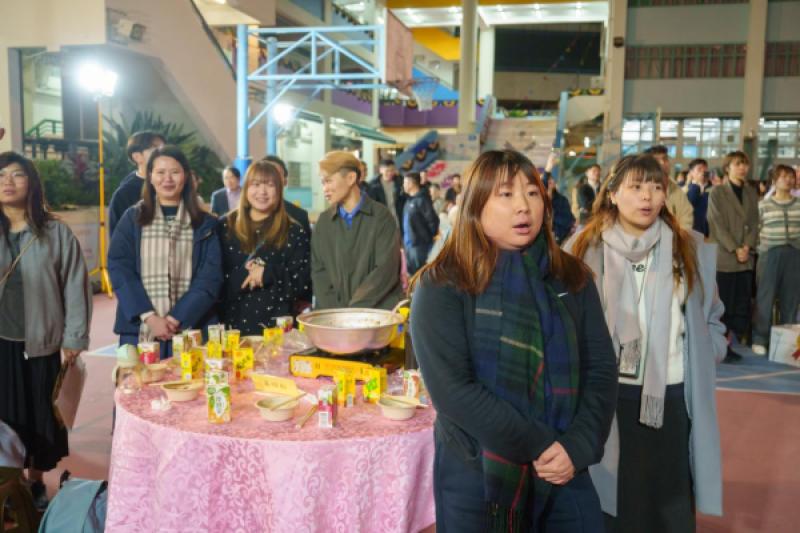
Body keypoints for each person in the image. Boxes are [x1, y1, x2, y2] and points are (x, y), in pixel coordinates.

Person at [410, 149, 617, 532]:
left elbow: (601, 369)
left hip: (566, 468)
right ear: (476, 204)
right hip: (479, 475)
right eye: (506, 194)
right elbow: (453, 390)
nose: (523, 206)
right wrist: (542, 444)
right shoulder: (442, 284)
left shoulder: (570, 276)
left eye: (532, 193)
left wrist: (577, 446)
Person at [564, 153, 726, 533]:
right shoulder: (583, 249)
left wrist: (708, 352)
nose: (647, 197)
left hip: (671, 396)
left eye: (656, 187)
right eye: (636, 187)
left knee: (670, 507)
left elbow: (714, 317)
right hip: (607, 397)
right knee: (614, 506)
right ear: (613, 193)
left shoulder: (688, 248)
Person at [0, 151, 93, 510]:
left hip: (41, 343)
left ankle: (35, 481)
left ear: (32, 183)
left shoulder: (55, 232)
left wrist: (74, 337)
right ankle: (10, 486)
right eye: (1, 175)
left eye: (17, 174)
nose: (8, 182)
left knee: (40, 416)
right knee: (6, 419)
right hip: (1, 344)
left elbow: (75, 286)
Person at [108, 146, 223, 358]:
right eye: (160, 172)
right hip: (141, 328)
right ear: (150, 177)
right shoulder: (132, 219)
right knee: (141, 379)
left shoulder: (205, 224)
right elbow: (119, 268)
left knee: (191, 378)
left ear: (186, 176)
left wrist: (175, 318)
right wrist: (150, 317)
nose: (167, 179)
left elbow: (210, 277)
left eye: (175, 172)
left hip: (193, 326)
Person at [217, 160, 310, 334]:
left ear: (279, 189)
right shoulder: (224, 226)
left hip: (279, 329)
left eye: (270, 185)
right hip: (231, 327)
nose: (262, 191)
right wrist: (245, 274)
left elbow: (303, 283)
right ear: (246, 188)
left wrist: (268, 273)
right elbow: (212, 278)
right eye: (256, 184)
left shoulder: (293, 231)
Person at [312, 151, 403, 310]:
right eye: (322, 182)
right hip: (335, 317)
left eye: (328, 181)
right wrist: (337, 313)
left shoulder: (381, 217)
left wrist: (354, 311)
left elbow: (385, 271)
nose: (325, 189)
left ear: (351, 178)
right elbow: (319, 273)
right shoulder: (324, 222)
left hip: (374, 315)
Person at [707, 150, 759, 363]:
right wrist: (735, 248)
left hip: (745, 257)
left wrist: (747, 246)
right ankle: (718, 346)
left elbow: (755, 222)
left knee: (741, 305)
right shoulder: (717, 192)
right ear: (727, 168)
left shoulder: (751, 192)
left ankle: (727, 343)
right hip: (726, 257)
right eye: (738, 164)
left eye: (745, 164)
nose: (742, 168)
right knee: (723, 305)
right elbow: (716, 224)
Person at [752, 165, 800, 355]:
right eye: (783, 176)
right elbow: (756, 231)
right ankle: (760, 339)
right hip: (769, 254)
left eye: (791, 176)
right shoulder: (763, 205)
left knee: (791, 300)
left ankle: (787, 342)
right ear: (774, 180)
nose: (788, 180)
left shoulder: (798, 204)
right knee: (765, 298)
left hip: (795, 255)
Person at [108, 131, 165, 236]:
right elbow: (119, 238)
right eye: (156, 149)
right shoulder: (124, 194)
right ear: (137, 157)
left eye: (164, 149)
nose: (163, 154)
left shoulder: (171, 185)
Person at [644, 145, 694, 230]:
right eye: (657, 160)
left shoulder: (677, 190)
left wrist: (678, 236)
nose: (662, 163)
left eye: (665, 159)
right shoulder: (644, 192)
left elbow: (687, 217)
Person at [262, 155, 312, 237]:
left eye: (276, 174)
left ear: (285, 181)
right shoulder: (242, 216)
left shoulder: (299, 216)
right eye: (266, 174)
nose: (270, 179)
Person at [401, 172, 439, 276]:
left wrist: (427, 238)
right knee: (412, 275)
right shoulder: (408, 201)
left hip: (420, 246)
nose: (403, 185)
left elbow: (433, 221)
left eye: (405, 183)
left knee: (420, 275)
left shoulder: (422, 200)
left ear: (411, 183)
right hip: (409, 245)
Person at [542, 152, 576, 243]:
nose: (550, 181)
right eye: (548, 180)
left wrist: (557, 233)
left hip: (560, 238)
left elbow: (568, 220)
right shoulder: (539, 200)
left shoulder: (562, 200)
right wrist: (548, 168)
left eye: (551, 179)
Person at [366, 158, 404, 225]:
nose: (390, 173)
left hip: (398, 218)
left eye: (392, 170)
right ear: (381, 170)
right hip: (382, 219)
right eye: (387, 171)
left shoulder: (400, 181)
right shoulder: (373, 185)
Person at [685, 158, 711, 237]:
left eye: (705, 169)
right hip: (691, 232)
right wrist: (695, 186)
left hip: (708, 233)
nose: (703, 172)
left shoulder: (712, 189)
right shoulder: (686, 189)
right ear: (691, 173)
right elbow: (690, 204)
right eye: (699, 169)